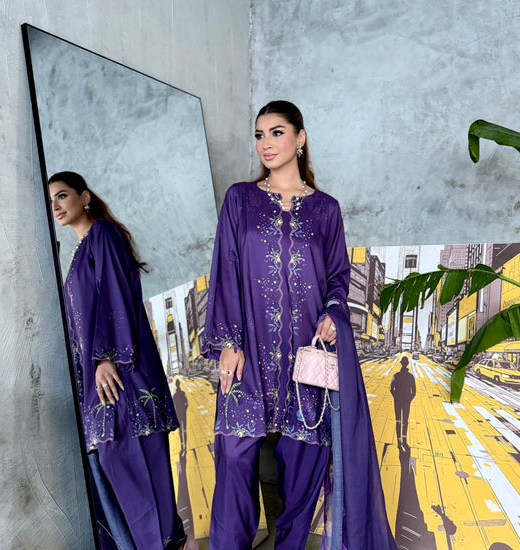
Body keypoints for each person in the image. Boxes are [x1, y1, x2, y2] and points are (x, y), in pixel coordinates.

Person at [201, 100, 397, 550]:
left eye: (276, 132)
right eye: (259, 135)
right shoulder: (240, 199)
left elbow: (338, 276)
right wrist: (228, 341)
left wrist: (333, 313)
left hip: (306, 358)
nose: (265, 144)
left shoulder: (326, 209)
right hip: (249, 354)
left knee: (304, 463)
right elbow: (226, 269)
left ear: (300, 138)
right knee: (233, 456)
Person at [48, 171, 198, 550]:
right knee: (117, 475)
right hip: (101, 383)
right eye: (50, 201)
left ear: (84, 197)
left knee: (140, 473)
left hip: (121, 375)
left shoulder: (102, 234)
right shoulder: (79, 252)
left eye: (62, 195)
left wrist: (105, 356)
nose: (56, 206)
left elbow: (113, 292)